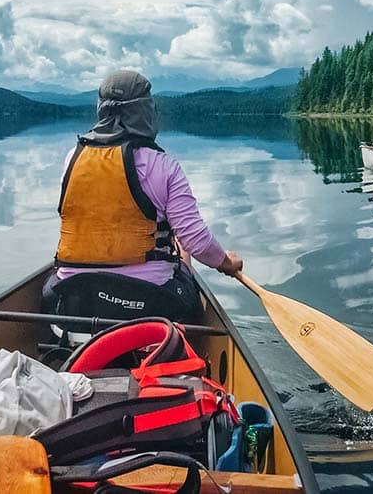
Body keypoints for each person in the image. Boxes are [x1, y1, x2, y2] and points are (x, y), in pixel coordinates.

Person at [42, 70, 243, 322]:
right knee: (182, 251)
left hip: (73, 299)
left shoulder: (73, 157)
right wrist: (225, 262)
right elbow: (196, 241)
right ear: (145, 111)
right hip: (147, 302)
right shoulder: (164, 165)